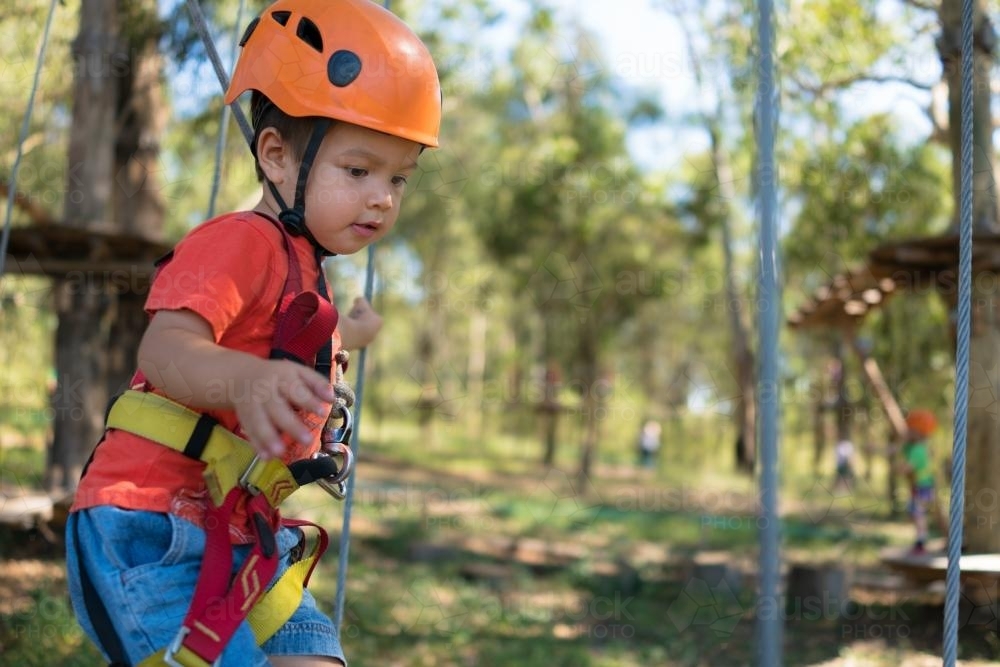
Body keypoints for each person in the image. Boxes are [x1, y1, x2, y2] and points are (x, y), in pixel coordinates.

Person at [65, 1, 441, 665]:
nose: (382, 196)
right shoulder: (242, 242)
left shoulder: (304, 267)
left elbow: (285, 346)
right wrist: (248, 379)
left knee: (313, 655)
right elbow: (165, 348)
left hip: (233, 531)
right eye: (359, 171)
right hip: (151, 525)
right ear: (275, 155)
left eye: (398, 177)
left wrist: (349, 333)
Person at [896, 409, 948, 555]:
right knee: (917, 513)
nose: (906, 431)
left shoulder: (918, 449)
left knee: (918, 513)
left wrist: (899, 468)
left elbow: (908, 467)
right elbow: (898, 449)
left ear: (917, 432)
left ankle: (921, 541)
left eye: (909, 429)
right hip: (922, 485)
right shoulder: (915, 447)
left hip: (922, 486)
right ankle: (922, 539)